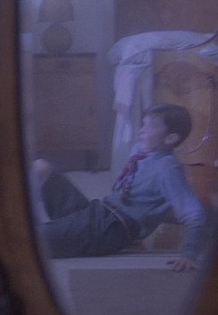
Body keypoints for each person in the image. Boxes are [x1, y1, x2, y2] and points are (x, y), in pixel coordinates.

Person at [33, 103, 207, 272]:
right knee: (40, 167)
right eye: (143, 124)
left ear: (171, 138)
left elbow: (194, 214)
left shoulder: (168, 168)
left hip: (109, 230)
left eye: (151, 127)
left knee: (30, 238)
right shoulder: (140, 150)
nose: (141, 131)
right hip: (97, 211)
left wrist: (189, 254)